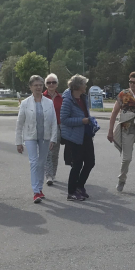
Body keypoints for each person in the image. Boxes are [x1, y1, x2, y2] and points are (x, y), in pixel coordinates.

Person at [16, 75, 60, 204]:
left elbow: (53, 122)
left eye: (40, 85)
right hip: (30, 136)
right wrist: (18, 142)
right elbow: (20, 124)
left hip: (45, 137)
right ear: (30, 87)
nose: (38, 87)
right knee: (34, 162)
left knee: (41, 163)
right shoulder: (25, 103)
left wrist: (53, 139)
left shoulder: (49, 102)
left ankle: (40, 189)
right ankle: (36, 191)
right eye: (35, 85)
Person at [60, 74, 97, 202]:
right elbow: (64, 120)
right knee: (77, 164)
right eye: (84, 84)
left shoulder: (83, 98)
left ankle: (80, 187)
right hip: (74, 137)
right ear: (78, 86)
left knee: (90, 162)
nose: (86, 86)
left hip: (86, 135)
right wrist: (82, 120)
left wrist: (90, 122)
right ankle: (71, 192)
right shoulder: (68, 100)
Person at [43, 73, 64, 186]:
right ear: (46, 85)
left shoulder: (61, 98)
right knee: (47, 152)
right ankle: (48, 175)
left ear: (57, 84)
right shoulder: (42, 97)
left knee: (54, 153)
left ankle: (53, 173)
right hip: (45, 127)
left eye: (53, 82)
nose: (51, 84)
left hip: (58, 127)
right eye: (49, 82)